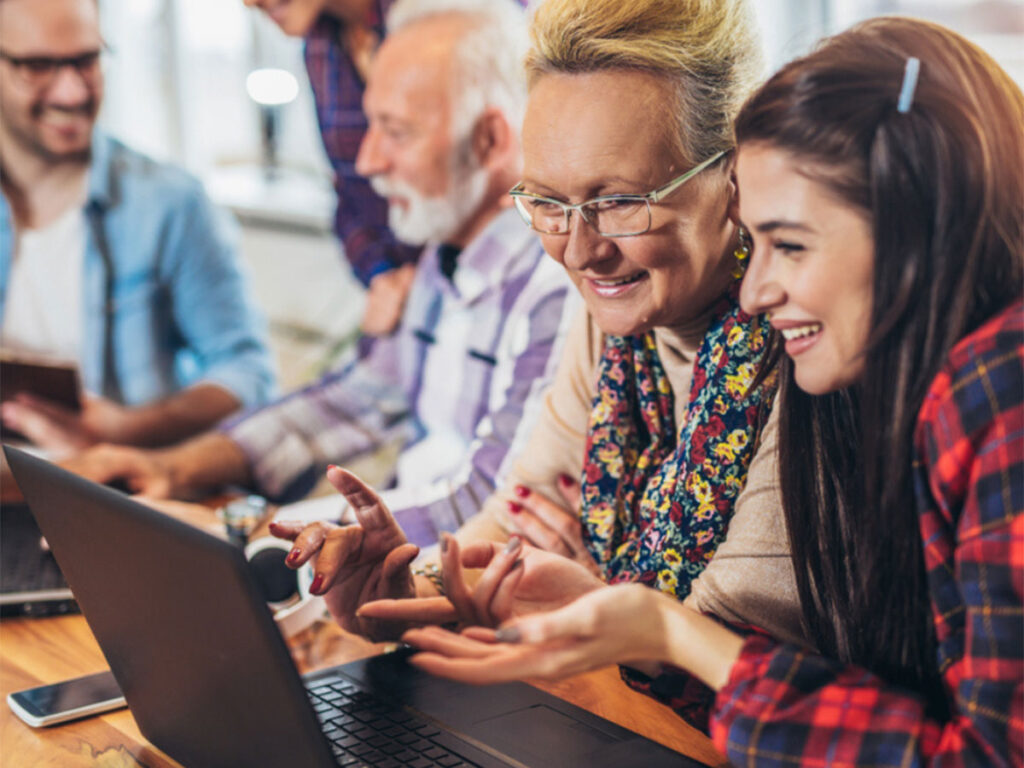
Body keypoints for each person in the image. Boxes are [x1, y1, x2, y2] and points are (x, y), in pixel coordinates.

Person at [396, 17, 1024, 766]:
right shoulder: (929, 388)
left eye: (788, 244)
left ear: (919, 228)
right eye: (549, 203)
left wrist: (669, 633)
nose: (754, 293)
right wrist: (648, 633)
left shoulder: (996, 397)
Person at [271, 0, 807, 724]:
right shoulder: (615, 322)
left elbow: (727, 651)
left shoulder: (806, 338)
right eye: (547, 203)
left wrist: (580, 609)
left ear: (734, 172)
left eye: (620, 201)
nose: (579, 252)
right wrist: (401, 587)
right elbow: (525, 521)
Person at [67, 0, 576, 548]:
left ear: (491, 141)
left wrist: (249, 536)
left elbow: (488, 504)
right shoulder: (438, 257)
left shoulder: (557, 291)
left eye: (396, 131)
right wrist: (172, 468)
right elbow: (352, 402)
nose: (367, 162)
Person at [0, 0, 275, 454]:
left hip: (112, 491)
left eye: (87, 61)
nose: (71, 93)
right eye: (38, 66)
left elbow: (249, 373)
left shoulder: (170, 203)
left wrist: (129, 429)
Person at [242, 0, 420, 337]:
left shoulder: (449, 18)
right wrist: (380, 274)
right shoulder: (320, 47)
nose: (248, 3)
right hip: (401, 307)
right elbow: (348, 192)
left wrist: (432, 277)